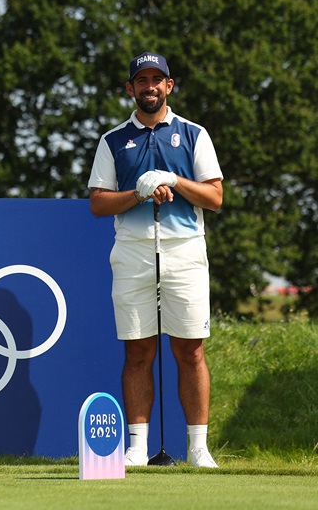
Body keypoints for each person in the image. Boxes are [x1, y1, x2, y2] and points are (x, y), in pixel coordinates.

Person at [88, 52, 223, 468]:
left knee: (191, 351)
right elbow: (98, 203)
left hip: (184, 251)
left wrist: (174, 180)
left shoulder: (194, 134)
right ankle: (137, 447)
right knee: (139, 352)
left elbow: (215, 197)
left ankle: (198, 449)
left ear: (169, 86)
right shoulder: (112, 141)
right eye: (141, 80)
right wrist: (139, 193)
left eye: (157, 80)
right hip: (133, 251)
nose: (149, 87)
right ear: (130, 88)